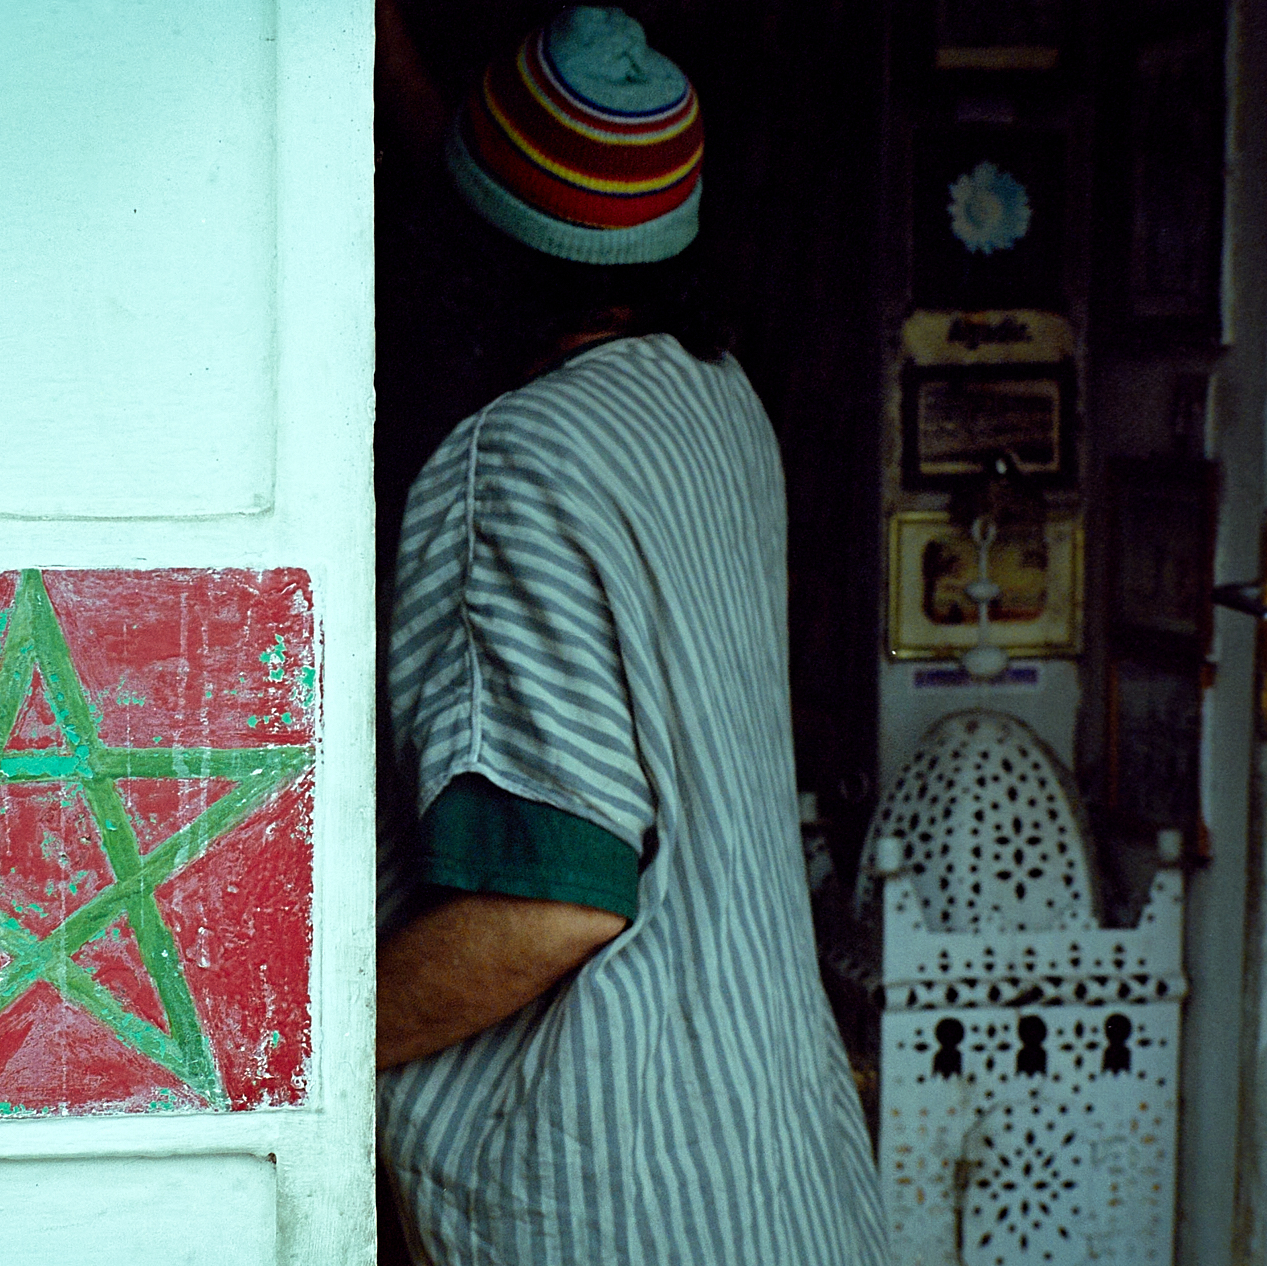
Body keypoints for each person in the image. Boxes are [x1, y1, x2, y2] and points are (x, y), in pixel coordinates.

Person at [374, 7, 889, 1263]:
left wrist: (298, 1055)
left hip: (614, 1194)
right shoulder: (719, 408)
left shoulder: (514, 459)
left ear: (478, 246)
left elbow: (552, 908)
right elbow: (519, 201)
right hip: (772, 1169)